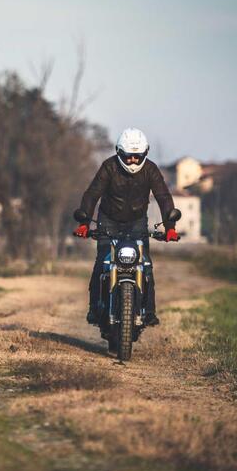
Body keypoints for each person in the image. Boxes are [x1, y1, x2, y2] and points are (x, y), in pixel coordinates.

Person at [74, 128, 179, 326]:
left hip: (137, 222)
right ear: (119, 152)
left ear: (144, 154)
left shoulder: (151, 170)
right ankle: (94, 309)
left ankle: (148, 312)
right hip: (108, 220)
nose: (132, 161)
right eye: (128, 156)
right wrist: (84, 223)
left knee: (145, 265)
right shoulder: (109, 167)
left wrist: (170, 227)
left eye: (137, 157)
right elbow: (92, 194)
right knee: (102, 263)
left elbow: (163, 197)